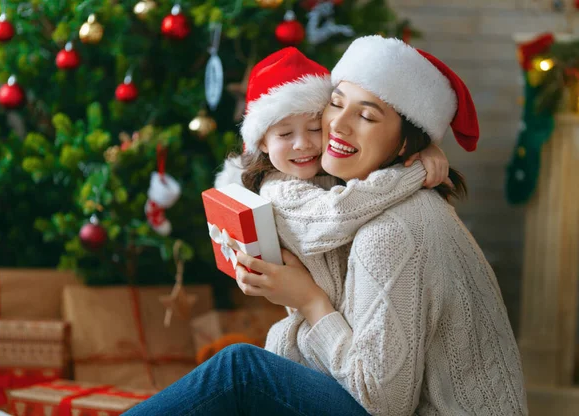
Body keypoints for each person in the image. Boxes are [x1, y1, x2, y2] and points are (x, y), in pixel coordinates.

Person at [235, 36, 528, 415]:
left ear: (406, 144)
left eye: (367, 116)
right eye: (335, 105)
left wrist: (309, 301)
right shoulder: (369, 200)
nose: (336, 126)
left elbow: (381, 399)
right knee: (250, 368)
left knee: (240, 370)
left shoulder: (389, 231)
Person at [215, 47, 449, 367]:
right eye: (285, 134)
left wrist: (422, 148)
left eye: (314, 128)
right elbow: (337, 215)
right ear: (262, 143)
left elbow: (375, 165)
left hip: (348, 337)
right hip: (314, 347)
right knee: (234, 364)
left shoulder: (334, 172)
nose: (304, 144)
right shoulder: (278, 190)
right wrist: (415, 170)